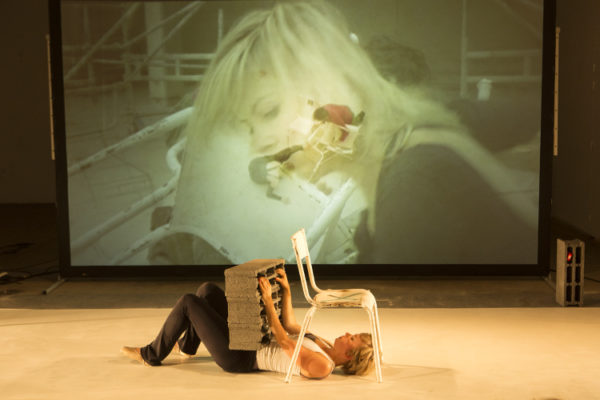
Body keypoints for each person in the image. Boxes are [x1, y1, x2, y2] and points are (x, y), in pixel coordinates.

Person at [148, 0, 538, 266]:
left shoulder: (412, 189)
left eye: (269, 111)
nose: (260, 143)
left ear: (330, 83)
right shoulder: (404, 156)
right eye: (249, 127)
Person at [121, 268, 375, 378]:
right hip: (250, 339)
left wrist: (267, 300)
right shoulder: (326, 346)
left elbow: (284, 341)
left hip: (240, 357)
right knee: (208, 291)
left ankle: (151, 354)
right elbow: (291, 326)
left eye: (352, 338)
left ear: (349, 355)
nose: (347, 333)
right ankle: (188, 346)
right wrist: (286, 290)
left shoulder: (323, 366)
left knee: (189, 302)